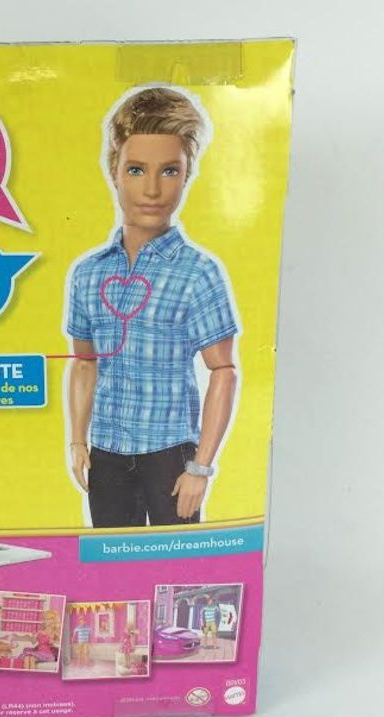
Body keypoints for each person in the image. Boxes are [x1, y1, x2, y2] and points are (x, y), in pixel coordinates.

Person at [65, 86, 239, 527]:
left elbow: (222, 370)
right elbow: (84, 361)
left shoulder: (198, 272)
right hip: (106, 453)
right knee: (113, 560)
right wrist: (78, 440)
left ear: (187, 175)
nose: (152, 189)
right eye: (137, 169)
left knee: (176, 561)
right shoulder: (88, 273)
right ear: (114, 171)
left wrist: (200, 467)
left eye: (170, 171)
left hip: (170, 455)